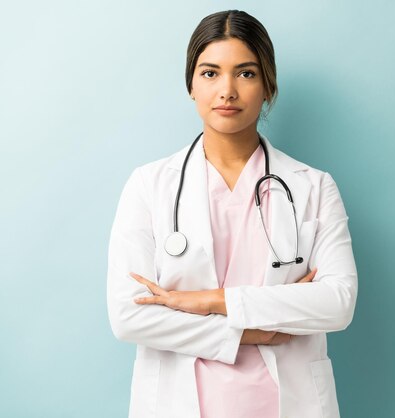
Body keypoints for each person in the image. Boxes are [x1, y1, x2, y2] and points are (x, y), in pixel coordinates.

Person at [107, 9, 357, 418]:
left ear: (268, 86)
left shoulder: (313, 186)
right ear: (190, 84)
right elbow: (129, 316)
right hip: (179, 402)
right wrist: (249, 331)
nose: (226, 90)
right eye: (209, 73)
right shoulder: (149, 186)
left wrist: (213, 301)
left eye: (245, 73)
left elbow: (337, 303)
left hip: (287, 403)